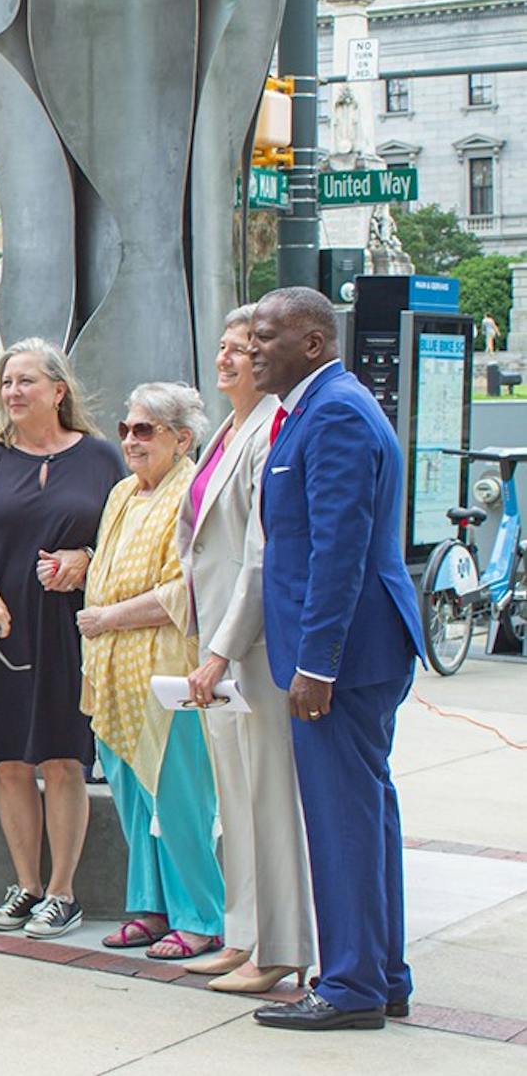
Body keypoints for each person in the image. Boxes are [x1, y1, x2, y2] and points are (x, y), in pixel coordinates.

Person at [249, 287, 424, 1031]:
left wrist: (316, 662)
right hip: (348, 650)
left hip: (345, 656)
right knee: (361, 813)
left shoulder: (338, 413)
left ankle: (351, 984)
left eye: (266, 335)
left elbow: (339, 550)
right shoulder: (316, 409)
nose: (252, 346)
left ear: (313, 343)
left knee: (344, 818)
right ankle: (379, 972)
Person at [0, 339, 122, 938]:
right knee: (11, 763)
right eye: (6, 383)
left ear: (58, 391)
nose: (13, 393)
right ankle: (27, 885)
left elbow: (126, 538)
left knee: (62, 759)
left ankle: (63, 893)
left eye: (26, 382)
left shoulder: (99, 457)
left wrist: (86, 558)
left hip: (67, 631)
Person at [176, 307, 317, 992]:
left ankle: (282, 945)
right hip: (214, 643)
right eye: (225, 348)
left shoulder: (271, 430)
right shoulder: (224, 433)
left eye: (243, 348)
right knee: (233, 799)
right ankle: (243, 935)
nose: (230, 358)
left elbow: (260, 556)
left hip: (251, 647)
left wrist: (223, 649)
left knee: (266, 800)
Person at [80, 383, 224, 960]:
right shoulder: (122, 493)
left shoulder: (192, 491)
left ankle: (201, 916)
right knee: (135, 802)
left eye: (146, 430)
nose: (131, 440)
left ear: (182, 439)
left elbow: (187, 589)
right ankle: (149, 908)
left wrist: (109, 617)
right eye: (126, 428)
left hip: (169, 671)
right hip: (115, 670)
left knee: (180, 799)